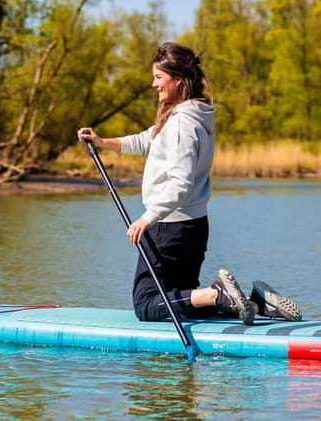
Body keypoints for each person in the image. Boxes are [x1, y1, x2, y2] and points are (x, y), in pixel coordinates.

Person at [78, 41, 301, 325]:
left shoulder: (183, 123)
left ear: (179, 80)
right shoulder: (193, 115)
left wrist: (148, 218)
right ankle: (255, 304)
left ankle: (217, 294)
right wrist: (103, 142)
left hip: (169, 228)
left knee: (147, 305)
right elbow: (150, 139)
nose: (153, 84)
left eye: (159, 77)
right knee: (182, 299)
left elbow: (180, 184)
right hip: (192, 227)